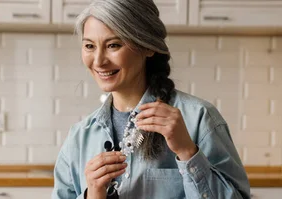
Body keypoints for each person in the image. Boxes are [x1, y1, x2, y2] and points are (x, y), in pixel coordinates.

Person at [51, 0, 251, 198]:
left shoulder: (199, 118)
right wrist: (91, 195)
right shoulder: (79, 137)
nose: (99, 61)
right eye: (89, 46)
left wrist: (187, 152)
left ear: (148, 46)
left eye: (113, 45)